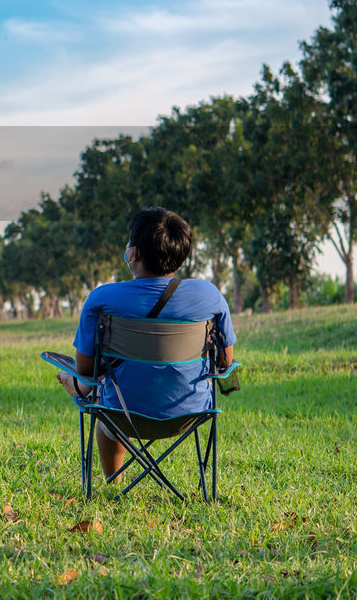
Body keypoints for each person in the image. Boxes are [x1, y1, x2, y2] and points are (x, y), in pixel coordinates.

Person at [55, 206, 236, 481]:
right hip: (191, 411)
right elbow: (225, 360)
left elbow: (85, 366)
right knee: (102, 384)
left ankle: (113, 481)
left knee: (95, 385)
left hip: (122, 413)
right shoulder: (209, 295)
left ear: (133, 253)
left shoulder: (103, 299)